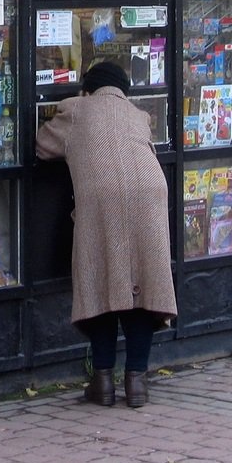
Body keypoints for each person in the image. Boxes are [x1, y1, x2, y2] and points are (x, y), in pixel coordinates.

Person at [35, 61, 178, 408]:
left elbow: (41, 145)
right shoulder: (137, 114)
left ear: (88, 88)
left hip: (103, 200)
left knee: (100, 284)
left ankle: (101, 382)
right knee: (142, 286)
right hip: (150, 193)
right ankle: (137, 382)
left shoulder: (76, 110)